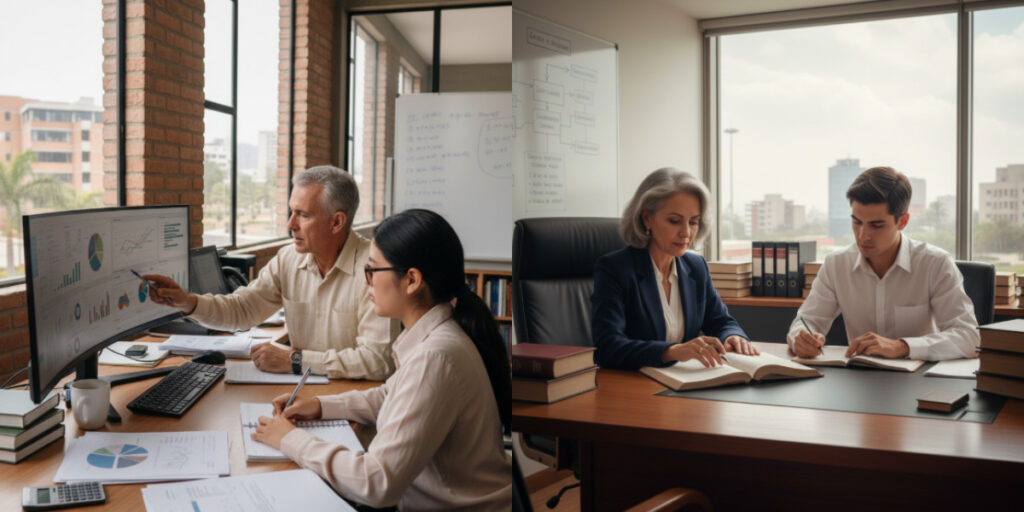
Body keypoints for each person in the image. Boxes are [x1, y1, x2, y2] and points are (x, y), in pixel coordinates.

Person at [250, 209, 512, 510]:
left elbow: (376, 484)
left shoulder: (436, 356)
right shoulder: (437, 336)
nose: (367, 283)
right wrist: (321, 406)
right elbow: (390, 395)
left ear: (412, 280)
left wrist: (290, 440)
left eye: (372, 271)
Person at [147, 166, 393, 380]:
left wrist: (296, 360)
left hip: (353, 402)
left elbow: (377, 361)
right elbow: (242, 309)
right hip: (303, 394)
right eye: (291, 211)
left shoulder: (377, 267)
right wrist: (188, 302)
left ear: (337, 222)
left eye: (303, 215)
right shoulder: (288, 259)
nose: (290, 225)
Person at [788, 166, 980, 361]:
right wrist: (801, 339)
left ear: (903, 221)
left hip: (920, 382)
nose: (863, 235)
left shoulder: (935, 264)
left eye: (876, 225)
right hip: (859, 380)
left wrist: (903, 346)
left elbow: (971, 337)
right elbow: (806, 321)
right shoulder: (835, 264)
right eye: (857, 222)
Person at [591, 167, 756, 371]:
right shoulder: (616, 269)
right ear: (646, 218)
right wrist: (671, 351)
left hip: (685, 384)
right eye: (674, 221)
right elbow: (607, 347)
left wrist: (732, 335)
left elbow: (721, 320)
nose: (686, 232)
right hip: (634, 387)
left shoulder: (696, 267)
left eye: (693, 222)